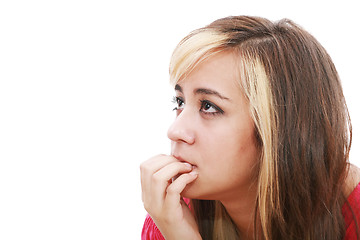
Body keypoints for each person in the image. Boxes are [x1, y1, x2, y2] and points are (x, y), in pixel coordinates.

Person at [140, 16, 360, 240]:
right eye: (180, 102)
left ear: (278, 128)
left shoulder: (354, 211)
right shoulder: (170, 219)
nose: (175, 131)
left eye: (209, 106)